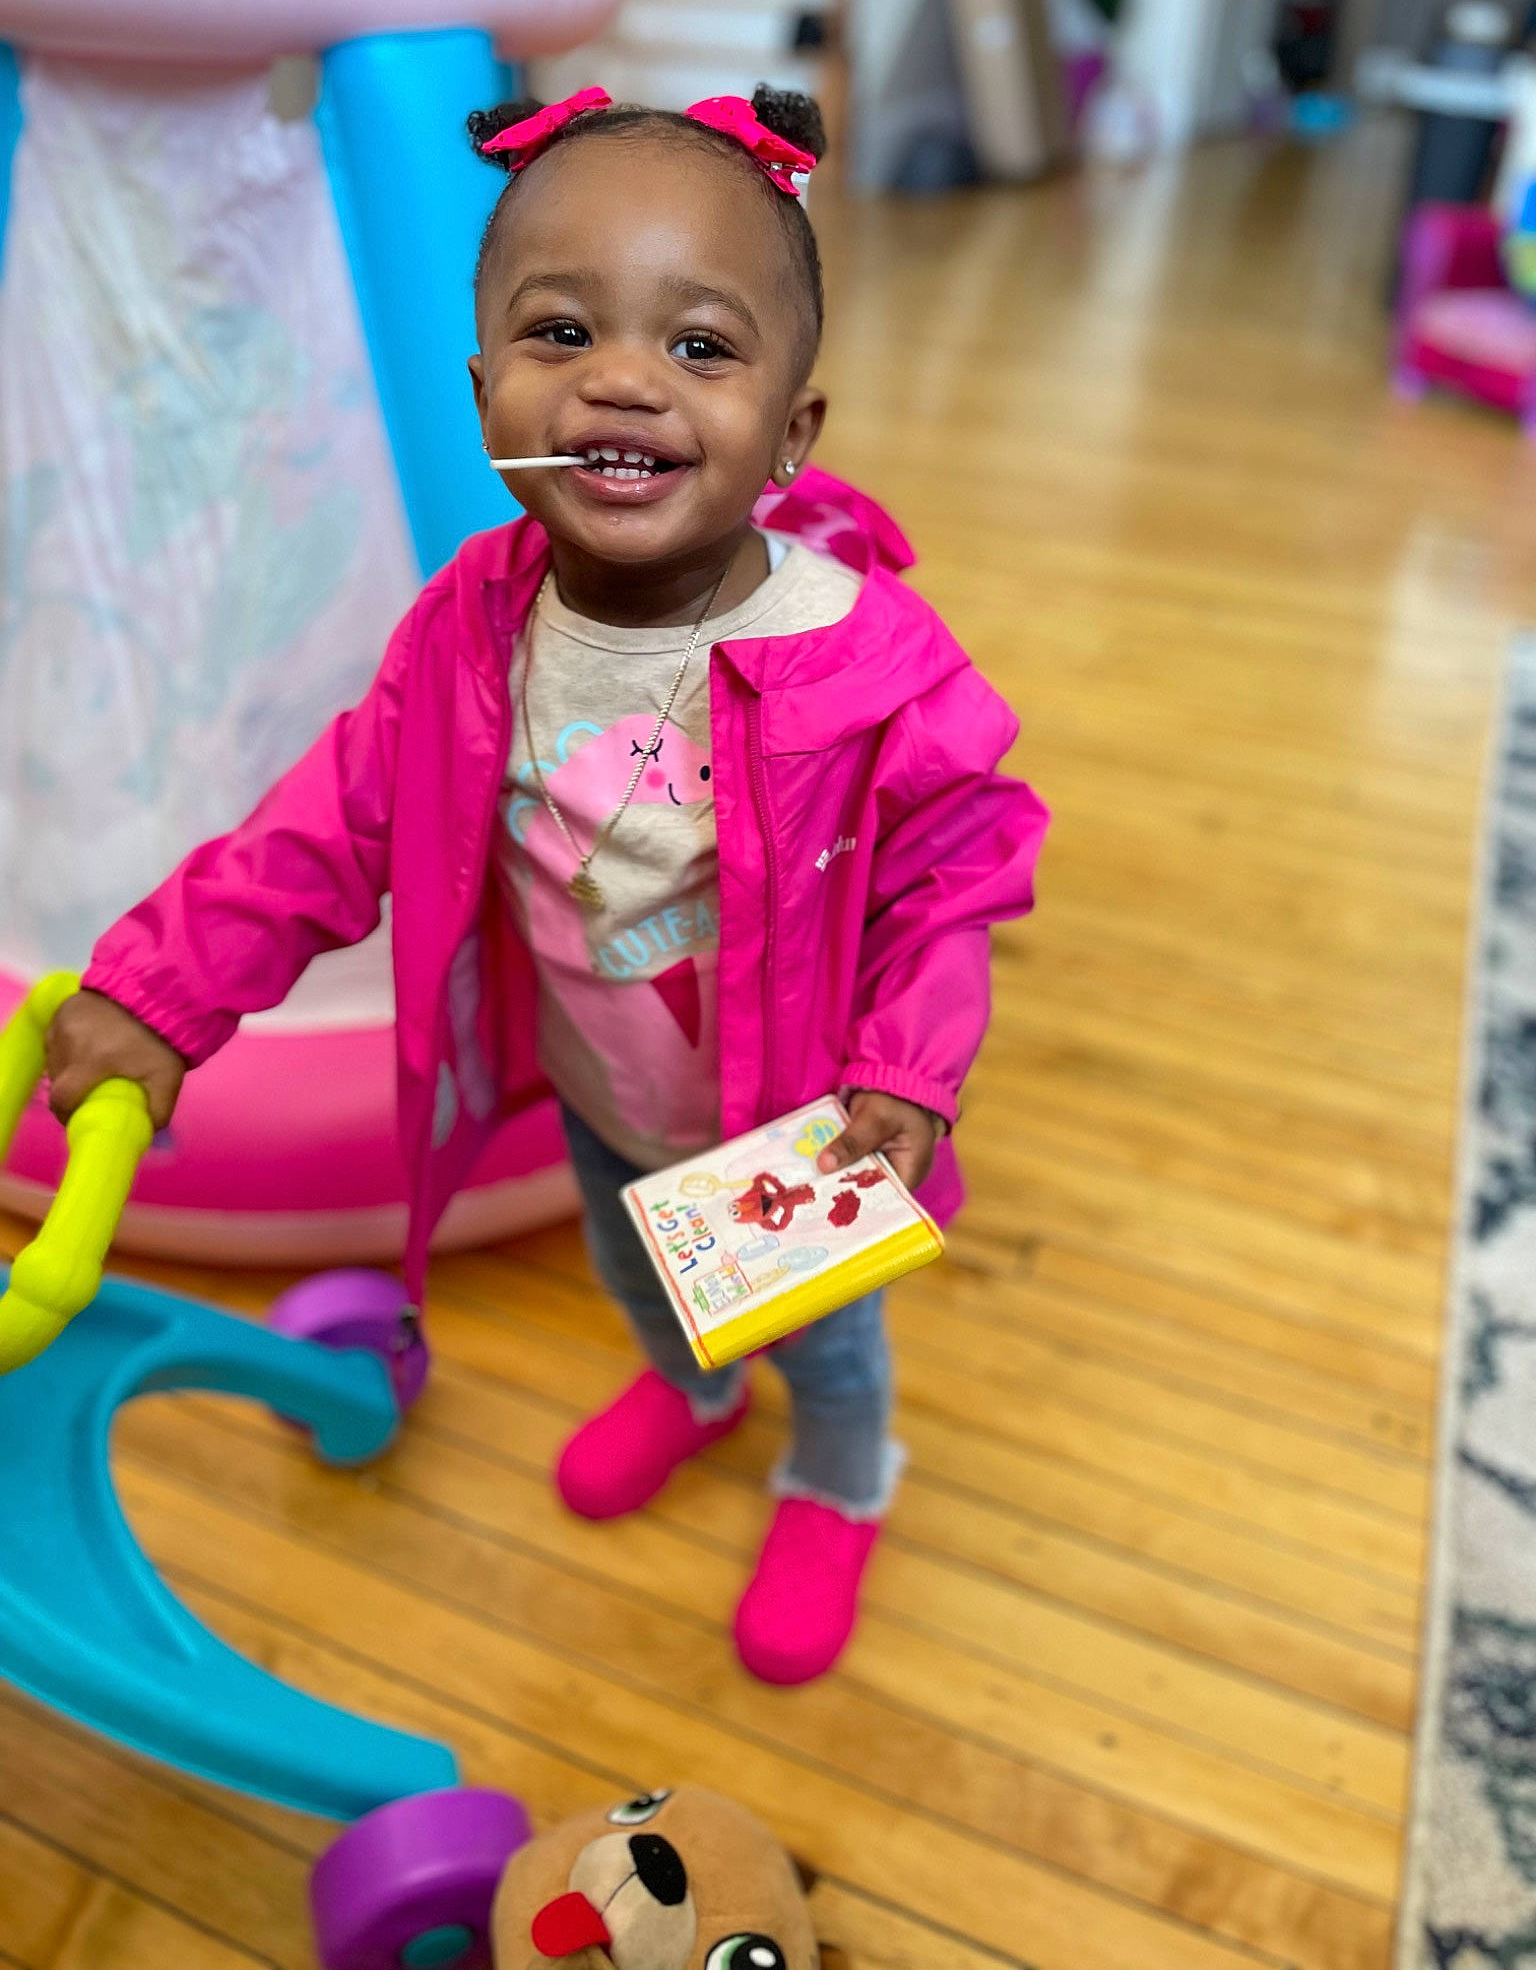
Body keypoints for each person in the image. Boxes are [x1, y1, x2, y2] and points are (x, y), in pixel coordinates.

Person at [45, 84, 1048, 1684]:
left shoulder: (864, 665)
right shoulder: (471, 629)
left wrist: (907, 1071)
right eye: (562, 332)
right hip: (601, 1085)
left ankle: (839, 1477)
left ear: (792, 432)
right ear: (484, 389)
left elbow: (955, 874)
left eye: (703, 349)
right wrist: (162, 994)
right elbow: (329, 823)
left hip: (797, 1118)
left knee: (827, 1344)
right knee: (634, 1268)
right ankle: (695, 1388)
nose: (628, 380)